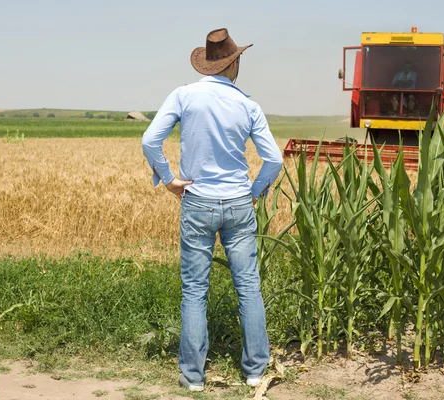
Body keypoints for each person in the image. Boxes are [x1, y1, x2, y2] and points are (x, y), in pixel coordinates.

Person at [141, 28, 283, 392]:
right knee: (248, 286)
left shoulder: (184, 95)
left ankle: (192, 377)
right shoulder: (248, 105)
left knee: (194, 289)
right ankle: (254, 371)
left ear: (208, 64)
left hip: (197, 202)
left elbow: (150, 139)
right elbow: (274, 159)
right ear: (235, 63)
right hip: (238, 203)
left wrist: (169, 178)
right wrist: (254, 192)